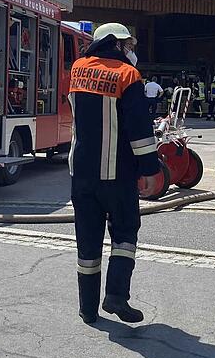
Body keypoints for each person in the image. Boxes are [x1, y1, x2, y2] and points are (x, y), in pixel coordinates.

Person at [69, 22, 166, 325]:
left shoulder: (78, 69)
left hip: (81, 174)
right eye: (128, 45)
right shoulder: (128, 75)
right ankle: (116, 295)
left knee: (87, 241)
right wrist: (150, 169)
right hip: (118, 174)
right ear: (116, 43)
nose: (131, 51)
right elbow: (139, 129)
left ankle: (87, 309)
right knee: (124, 234)